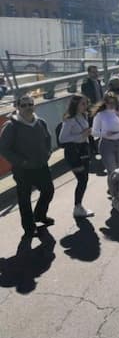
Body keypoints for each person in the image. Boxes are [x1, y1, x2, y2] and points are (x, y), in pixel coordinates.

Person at [0, 95, 55, 237]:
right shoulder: (12, 126)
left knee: (48, 191)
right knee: (25, 199)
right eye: (23, 105)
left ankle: (40, 215)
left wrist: (47, 154)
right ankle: (29, 228)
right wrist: (21, 162)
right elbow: (4, 148)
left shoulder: (40, 122)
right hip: (23, 170)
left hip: (41, 165)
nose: (28, 107)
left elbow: (48, 139)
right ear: (17, 107)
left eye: (30, 104)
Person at [59, 94, 93, 218]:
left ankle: (79, 206)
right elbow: (62, 139)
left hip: (83, 151)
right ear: (75, 105)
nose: (85, 106)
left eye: (86, 103)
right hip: (74, 154)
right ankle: (77, 207)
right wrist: (82, 135)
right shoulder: (70, 119)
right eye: (83, 104)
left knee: (84, 179)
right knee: (82, 180)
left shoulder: (83, 116)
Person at [91, 91, 119, 175]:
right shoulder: (100, 115)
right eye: (108, 102)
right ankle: (113, 187)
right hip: (106, 144)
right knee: (112, 171)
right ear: (105, 103)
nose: (111, 105)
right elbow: (94, 132)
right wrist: (105, 134)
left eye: (113, 103)